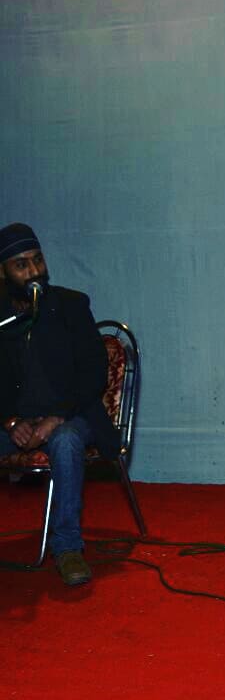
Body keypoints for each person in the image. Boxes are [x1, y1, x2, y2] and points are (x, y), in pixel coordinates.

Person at [0, 223, 118, 586]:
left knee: (66, 441)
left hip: (71, 415)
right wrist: (9, 421)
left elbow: (94, 373)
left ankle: (67, 548)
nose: (34, 271)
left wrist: (56, 417)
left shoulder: (71, 305)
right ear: (3, 272)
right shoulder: (3, 318)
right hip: (17, 423)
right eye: (21, 265)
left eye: (37, 260)